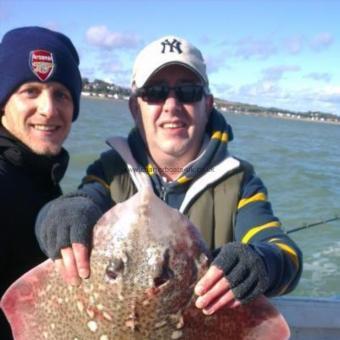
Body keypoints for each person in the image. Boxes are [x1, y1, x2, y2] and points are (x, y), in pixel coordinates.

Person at [35, 36, 302, 317]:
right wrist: (63, 212)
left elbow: (284, 253)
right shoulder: (110, 172)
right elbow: (73, 207)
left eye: (188, 92)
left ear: (208, 104)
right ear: (135, 107)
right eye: (155, 92)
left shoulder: (240, 182)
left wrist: (259, 261)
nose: (172, 105)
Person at [0, 26, 82, 338]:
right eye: (30, 91)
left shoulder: (39, 179)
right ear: (3, 102)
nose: (48, 110)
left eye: (61, 94)